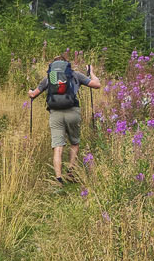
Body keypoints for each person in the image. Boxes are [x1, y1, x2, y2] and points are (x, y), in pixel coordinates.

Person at [25, 54, 102, 183]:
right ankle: (71, 171)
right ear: (67, 64)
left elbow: (33, 95)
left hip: (55, 114)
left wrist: (30, 91)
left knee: (58, 146)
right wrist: (91, 72)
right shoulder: (74, 74)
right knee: (74, 142)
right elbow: (97, 85)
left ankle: (58, 179)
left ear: (53, 65)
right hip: (73, 112)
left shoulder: (50, 77)